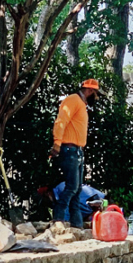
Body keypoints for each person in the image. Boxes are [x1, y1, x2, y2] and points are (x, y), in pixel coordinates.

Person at [49, 79, 102, 229]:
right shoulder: (73, 100)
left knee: (77, 189)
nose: (96, 98)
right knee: (72, 187)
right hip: (70, 149)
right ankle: (58, 219)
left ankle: (76, 225)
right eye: (95, 94)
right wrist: (57, 144)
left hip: (77, 150)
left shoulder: (81, 104)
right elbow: (61, 120)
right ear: (90, 91)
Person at [38, 182, 106, 222]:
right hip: (90, 211)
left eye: (45, 199)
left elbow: (66, 215)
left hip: (100, 204)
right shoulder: (57, 202)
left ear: (48, 193)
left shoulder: (62, 188)